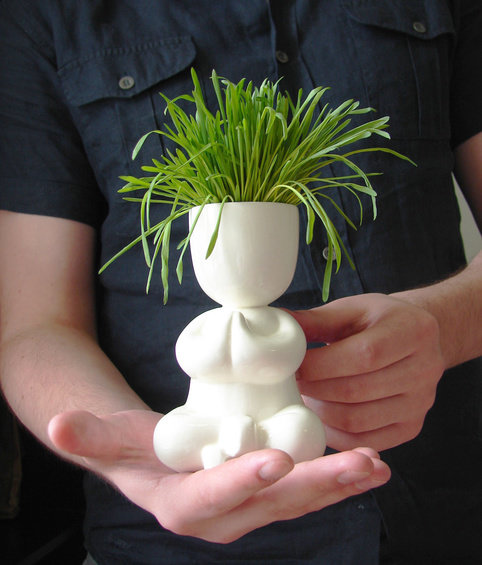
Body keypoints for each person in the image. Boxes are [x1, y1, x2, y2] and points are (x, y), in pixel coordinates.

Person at [0, 1, 481, 564]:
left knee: (296, 431)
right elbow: (35, 323)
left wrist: (446, 324)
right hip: (165, 546)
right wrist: (130, 451)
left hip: (444, 513)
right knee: (179, 437)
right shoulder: (42, 13)